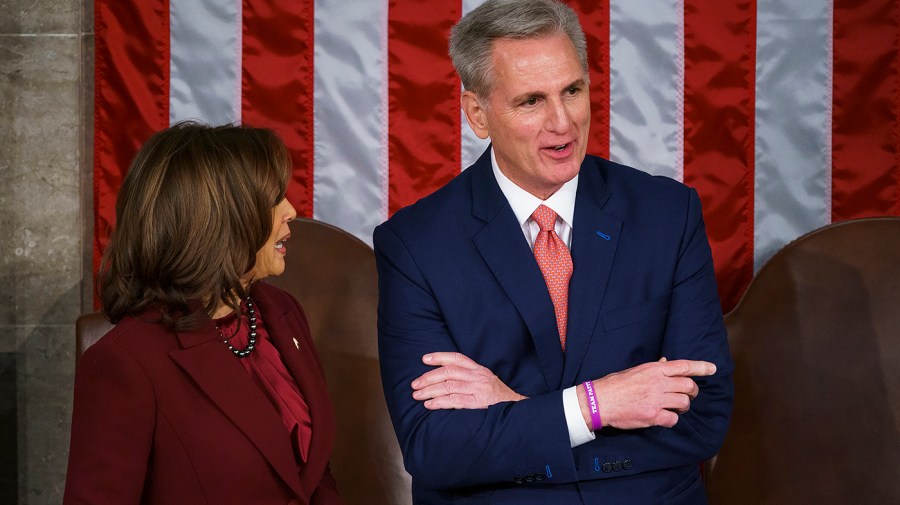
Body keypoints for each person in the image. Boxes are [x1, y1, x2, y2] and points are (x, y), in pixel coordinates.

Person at [374, 0, 734, 503]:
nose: (562, 123)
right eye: (531, 102)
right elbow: (434, 448)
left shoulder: (667, 214)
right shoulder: (414, 245)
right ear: (477, 113)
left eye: (572, 90)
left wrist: (520, 413)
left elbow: (704, 418)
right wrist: (592, 406)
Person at [64, 122, 342, 505]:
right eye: (273, 198)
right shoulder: (125, 364)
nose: (291, 210)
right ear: (218, 221)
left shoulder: (282, 312)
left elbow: (315, 474)